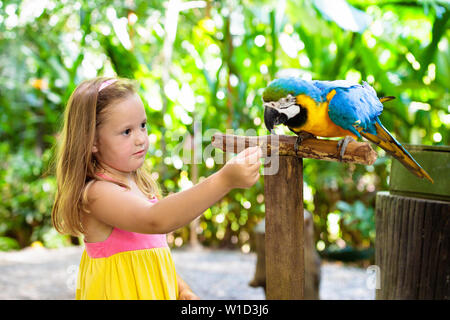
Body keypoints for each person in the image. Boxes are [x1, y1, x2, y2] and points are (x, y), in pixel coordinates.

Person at [51, 77, 262, 300]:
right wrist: (224, 180)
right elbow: (156, 220)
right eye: (127, 132)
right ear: (92, 141)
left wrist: (181, 289)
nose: (141, 138)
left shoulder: (139, 185)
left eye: (142, 125)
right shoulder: (97, 193)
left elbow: (153, 254)